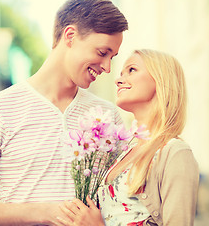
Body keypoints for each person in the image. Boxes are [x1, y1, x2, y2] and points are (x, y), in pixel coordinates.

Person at [0, 0, 128, 226]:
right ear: (70, 36)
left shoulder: (107, 115)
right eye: (102, 53)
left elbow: (123, 200)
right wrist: (48, 212)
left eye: (112, 57)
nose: (107, 67)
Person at [58, 49, 200, 226]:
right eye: (121, 73)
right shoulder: (124, 150)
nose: (118, 80)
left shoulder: (175, 153)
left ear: (161, 79)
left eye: (132, 70)